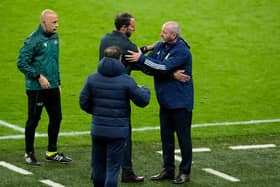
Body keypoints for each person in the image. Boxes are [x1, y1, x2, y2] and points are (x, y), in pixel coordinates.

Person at [99, 12, 189, 183]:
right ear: (124, 27)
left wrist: (147, 48)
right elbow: (147, 67)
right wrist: (172, 75)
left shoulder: (105, 40)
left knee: (100, 134)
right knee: (123, 134)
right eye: (132, 26)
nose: (135, 28)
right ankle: (127, 172)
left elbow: (136, 56)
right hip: (119, 95)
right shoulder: (126, 44)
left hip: (101, 92)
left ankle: (97, 172)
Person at [126, 21, 193, 184]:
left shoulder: (182, 52)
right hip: (165, 102)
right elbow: (151, 68)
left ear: (174, 35)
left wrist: (142, 59)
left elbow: (162, 67)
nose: (161, 34)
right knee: (166, 137)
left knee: (184, 139)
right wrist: (170, 75)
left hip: (180, 103)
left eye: (164, 32)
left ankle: (185, 172)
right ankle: (168, 170)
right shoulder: (162, 46)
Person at [79, 46, 150, 187]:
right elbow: (142, 101)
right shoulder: (126, 80)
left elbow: (83, 102)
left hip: (98, 129)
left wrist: (97, 112)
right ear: (119, 59)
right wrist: (145, 89)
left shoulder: (92, 78)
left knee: (99, 167)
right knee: (113, 169)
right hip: (118, 131)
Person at [17, 9, 72, 166]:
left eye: (57, 21)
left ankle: (52, 152)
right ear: (43, 23)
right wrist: (38, 76)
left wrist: (58, 82)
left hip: (52, 87)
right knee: (33, 120)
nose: (57, 25)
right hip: (36, 89)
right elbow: (21, 63)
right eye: (54, 22)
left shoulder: (55, 37)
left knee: (56, 117)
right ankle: (29, 153)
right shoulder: (32, 41)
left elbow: (55, 62)